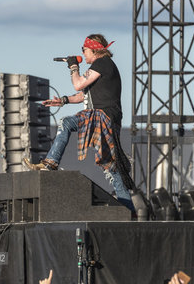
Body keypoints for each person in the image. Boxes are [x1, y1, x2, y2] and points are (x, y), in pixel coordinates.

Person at [24, 34, 135, 210]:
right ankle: (128, 210)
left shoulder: (102, 63)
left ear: (93, 49)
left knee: (66, 123)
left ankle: (51, 163)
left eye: (84, 50)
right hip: (107, 118)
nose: (83, 53)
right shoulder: (100, 68)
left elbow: (78, 84)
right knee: (112, 169)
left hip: (102, 116)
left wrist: (73, 67)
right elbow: (83, 94)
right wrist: (62, 101)